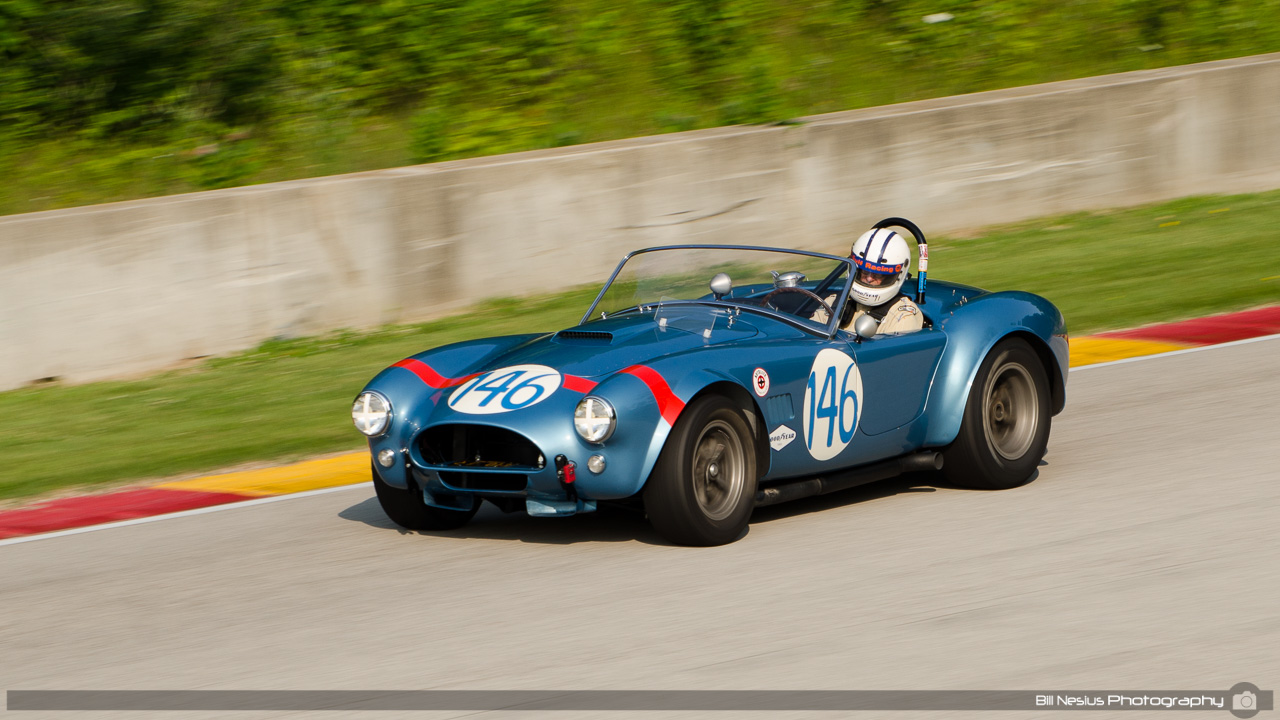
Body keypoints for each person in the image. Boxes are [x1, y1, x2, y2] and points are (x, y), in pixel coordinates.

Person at [814, 228, 924, 335]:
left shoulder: (902, 318)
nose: (869, 278)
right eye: (865, 271)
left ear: (896, 275)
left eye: (878, 274)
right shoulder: (834, 302)